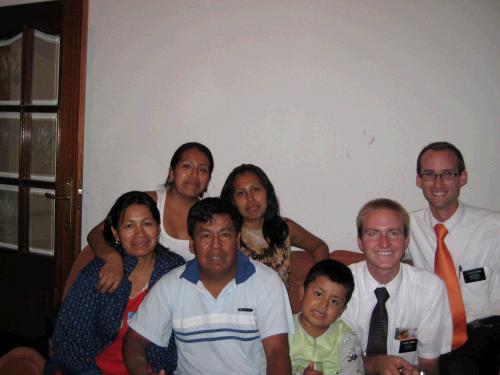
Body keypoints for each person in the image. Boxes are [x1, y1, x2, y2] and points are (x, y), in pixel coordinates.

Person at [123, 197, 294, 375]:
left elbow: (277, 354)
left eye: (225, 235)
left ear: (237, 240)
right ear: (191, 244)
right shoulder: (171, 285)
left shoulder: (266, 283)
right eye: (205, 236)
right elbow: (134, 341)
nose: (215, 246)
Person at [44, 191, 185, 375]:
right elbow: (69, 342)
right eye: (129, 226)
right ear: (115, 233)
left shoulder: (175, 271)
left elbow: (181, 339)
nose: (139, 233)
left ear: (158, 229)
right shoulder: (97, 273)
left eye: (147, 224)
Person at [407, 141, 500, 374]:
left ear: (462, 177)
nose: (438, 183)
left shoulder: (494, 227)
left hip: (491, 326)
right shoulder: (407, 227)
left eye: (447, 174)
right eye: (430, 174)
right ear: (419, 180)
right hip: (442, 336)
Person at [341, 198, 452, 375]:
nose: (384, 243)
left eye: (393, 233)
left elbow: (430, 365)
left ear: (406, 240)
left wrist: (416, 372)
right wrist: (375, 364)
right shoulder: (341, 285)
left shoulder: (430, 289)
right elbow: (335, 357)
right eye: (373, 234)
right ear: (360, 242)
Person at [88, 142, 213, 293]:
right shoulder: (146, 203)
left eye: (203, 170)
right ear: (172, 172)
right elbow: (96, 233)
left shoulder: (212, 217)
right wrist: (113, 258)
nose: (194, 175)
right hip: (136, 293)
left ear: (208, 179)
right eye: (187, 166)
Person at [220, 164, 329, 288]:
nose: (250, 198)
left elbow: (319, 247)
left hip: (280, 307)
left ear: (267, 192)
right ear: (232, 201)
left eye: (255, 189)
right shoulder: (225, 236)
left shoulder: (285, 229)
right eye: (241, 193)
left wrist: (315, 282)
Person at [289, 259, 363, 375]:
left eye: (334, 301)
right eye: (318, 294)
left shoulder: (346, 339)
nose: (323, 305)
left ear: (342, 310)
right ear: (302, 292)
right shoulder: (283, 329)